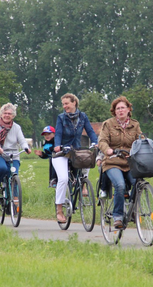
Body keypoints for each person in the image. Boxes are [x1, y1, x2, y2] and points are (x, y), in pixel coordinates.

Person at [53, 93, 98, 223]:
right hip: (62, 152)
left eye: (66, 103)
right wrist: (57, 145)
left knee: (87, 158)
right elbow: (58, 133)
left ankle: (83, 184)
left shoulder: (83, 116)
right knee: (63, 179)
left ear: (74, 103)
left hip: (76, 150)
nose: (64, 106)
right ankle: (59, 210)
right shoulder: (61, 117)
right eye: (63, 104)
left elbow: (90, 131)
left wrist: (95, 142)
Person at [98, 96, 142, 229]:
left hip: (129, 163)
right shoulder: (108, 124)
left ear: (128, 109)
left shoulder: (135, 125)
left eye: (123, 108)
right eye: (118, 108)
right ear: (114, 111)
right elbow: (102, 141)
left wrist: (152, 147)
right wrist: (108, 150)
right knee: (120, 185)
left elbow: (141, 139)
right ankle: (117, 216)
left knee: (138, 184)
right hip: (112, 162)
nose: (120, 110)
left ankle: (132, 210)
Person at [0, 103, 31, 196]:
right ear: (1, 114)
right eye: (5, 113)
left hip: (13, 155)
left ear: (13, 115)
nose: (7, 115)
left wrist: (26, 148)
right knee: (2, 168)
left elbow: (22, 140)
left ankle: (15, 199)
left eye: (9, 113)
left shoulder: (17, 127)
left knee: (14, 175)